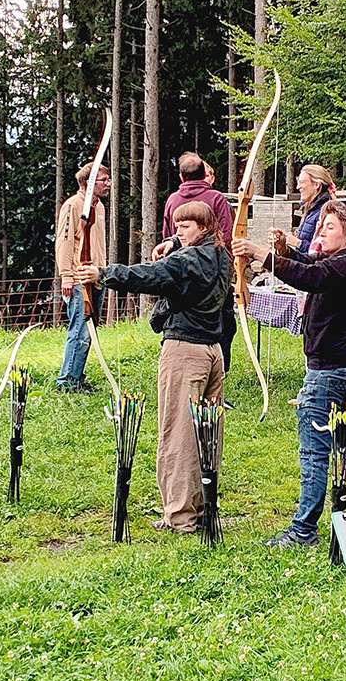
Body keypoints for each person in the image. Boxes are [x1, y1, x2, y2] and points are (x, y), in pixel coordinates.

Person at [233, 201, 346, 548]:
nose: (321, 231)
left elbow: (313, 277)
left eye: (329, 227)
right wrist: (283, 251)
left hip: (331, 371)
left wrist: (261, 254)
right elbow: (310, 265)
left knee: (315, 452)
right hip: (341, 367)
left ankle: (303, 530)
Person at [78, 201, 231, 533]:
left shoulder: (187, 260)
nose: (177, 231)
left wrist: (103, 275)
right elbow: (181, 264)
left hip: (185, 352)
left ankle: (179, 517)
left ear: (203, 228)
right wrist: (175, 242)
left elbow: (150, 275)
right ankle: (203, 508)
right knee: (206, 433)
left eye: (184, 226)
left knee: (178, 435)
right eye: (176, 226)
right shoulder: (221, 255)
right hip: (213, 352)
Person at [159, 152, 236, 374]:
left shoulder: (173, 199)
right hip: (212, 275)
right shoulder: (216, 198)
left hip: (181, 275)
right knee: (222, 325)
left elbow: (168, 237)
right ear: (205, 174)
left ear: (182, 177)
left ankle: (184, 372)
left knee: (180, 321)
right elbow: (226, 237)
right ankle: (216, 378)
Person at [55, 161, 111, 392]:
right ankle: (67, 380)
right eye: (103, 180)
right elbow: (65, 241)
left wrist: (102, 272)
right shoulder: (73, 206)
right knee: (79, 330)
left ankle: (76, 376)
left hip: (95, 276)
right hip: (78, 278)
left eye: (108, 180)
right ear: (87, 184)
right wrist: (67, 276)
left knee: (90, 331)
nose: (108, 184)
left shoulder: (99, 207)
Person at [285, 164, 336, 254]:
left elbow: (324, 252)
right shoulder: (311, 209)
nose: (298, 187)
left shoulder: (327, 212)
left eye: (301, 182)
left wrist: (297, 243)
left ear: (316, 185)